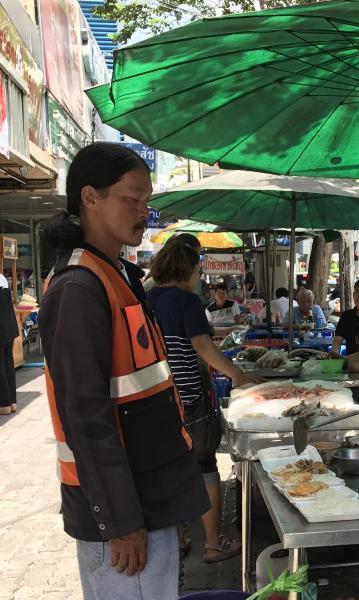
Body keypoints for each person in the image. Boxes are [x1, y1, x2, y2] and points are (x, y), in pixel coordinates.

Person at [38, 142, 210, 600]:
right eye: (130, 198)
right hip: (125, 512)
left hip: (150, 496)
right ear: (90, 198)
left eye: (146, 200)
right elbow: (86, 418)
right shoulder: (79, 287)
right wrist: (122, 523)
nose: (142, 211)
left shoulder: (117, 273)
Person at [147, 242, 261, 562]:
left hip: (155, 399)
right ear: (185, 270)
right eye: (197, 271)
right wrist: (240, 377)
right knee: (204, 464)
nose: (199, 278)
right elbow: (203, 347)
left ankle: (178, 541)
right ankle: (213, 543)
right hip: (188, 400)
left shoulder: (147, 299)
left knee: (169, 468)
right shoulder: (188, 301)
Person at [0, 272, 18, 415]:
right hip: (10, 328)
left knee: (1, 367)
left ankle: (4, 404)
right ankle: (12, 403)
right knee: (8, 365)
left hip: (1, 329)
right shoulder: (3, 278)